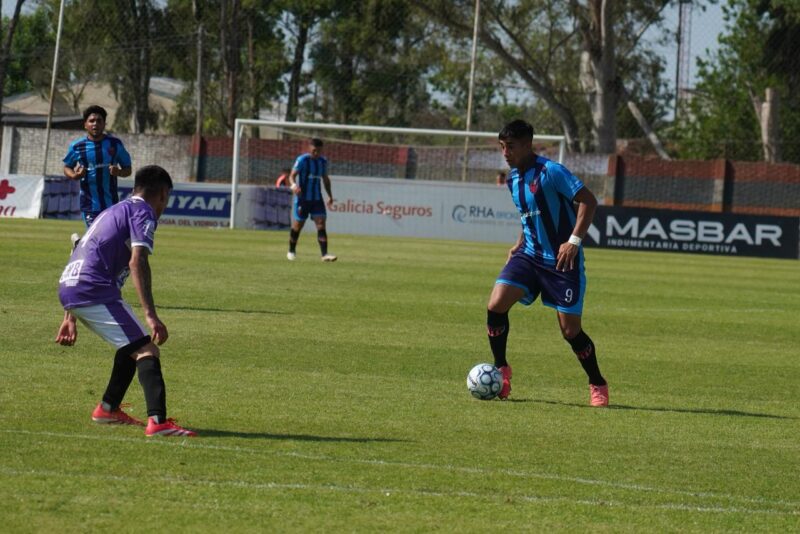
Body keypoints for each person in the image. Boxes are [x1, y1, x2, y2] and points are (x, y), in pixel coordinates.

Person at [55, 165, 196, 437]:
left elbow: (79, 249)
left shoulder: (114, 210)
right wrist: (151, 314)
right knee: (147, 350)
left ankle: (108, 409)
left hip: (72, 286)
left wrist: (68, 316)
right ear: (162, 195)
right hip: (92, 288)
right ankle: (158, 422)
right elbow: (138, 260)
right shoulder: (142, 212)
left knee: (133, 343)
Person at [486, 119, 609, 406]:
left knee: (570, 331)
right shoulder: (513, 179)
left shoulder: (551, 172)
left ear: (528, 145)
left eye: (511, 147)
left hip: (562, 262)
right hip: (529, 256)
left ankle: (597, 383)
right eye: (503, 147)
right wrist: (519, 243)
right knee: (496, 304)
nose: (506, 153)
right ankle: (501, 368)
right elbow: (530, 213)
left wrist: (574, 241)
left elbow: (589, 201)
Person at [63, 105, 133, 227]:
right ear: (85, 124)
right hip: (89, 204)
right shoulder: (77, 146)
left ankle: (78, 244)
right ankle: (81, 244)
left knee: (109, 238)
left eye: (99, 121)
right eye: (91, 121)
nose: (95, 124)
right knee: (96, 238)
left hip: (111, 203)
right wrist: (75, 175)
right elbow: (67, 167)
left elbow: (128, 169)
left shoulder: (115, 144)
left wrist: (119, 172)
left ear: (104, 124)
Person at [286, 138, 337, 262]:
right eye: (314, 150)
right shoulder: (302, 160)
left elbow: (325, 179)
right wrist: (294, 186)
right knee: (298, 226)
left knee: (321, 223)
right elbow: (292, 176)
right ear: (310, 148)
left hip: (316, 199)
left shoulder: (323, 161)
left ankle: (324, 254)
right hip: (302, 199)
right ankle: (291, 251)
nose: (316, 153)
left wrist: (330, 195)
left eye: (319, 151)